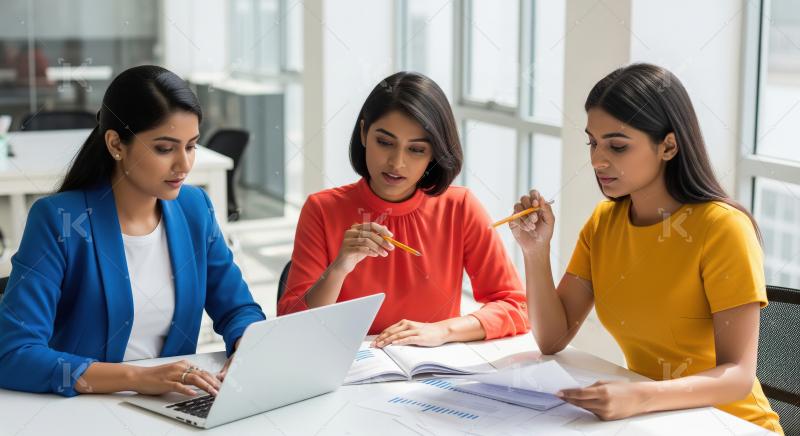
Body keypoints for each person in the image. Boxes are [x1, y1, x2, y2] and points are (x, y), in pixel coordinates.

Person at [511, 63, 782, 433]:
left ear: (668, 145)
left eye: (617, 146)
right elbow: (552, 338)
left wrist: (638, 397)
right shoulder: (604, 223)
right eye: (592, 142)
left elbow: (737, 376)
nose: (597, 160)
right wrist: (535, 252)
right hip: (655, 422)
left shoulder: (723, 229)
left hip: (730, 424)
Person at [0, 65, 266, 397]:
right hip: (82, 412)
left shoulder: (194, 208)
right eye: (165, 149)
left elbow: (238, 308)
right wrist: (137, 379)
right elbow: (14, 354)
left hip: (171, 407)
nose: (183, 165)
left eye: (191, 146)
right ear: (116, 144)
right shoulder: (59, 220)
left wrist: (245, 345)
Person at [278, 72, 529, 347]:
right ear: (363, 133)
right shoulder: (322, 209)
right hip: (349, 375)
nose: (397, 163)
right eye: (385, 143)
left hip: (429, 372)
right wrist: (339, 268)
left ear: (435, 153)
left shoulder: (460, 207)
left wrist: (443, 331)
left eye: (416, 150)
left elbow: (515, 306)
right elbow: (291, 324)